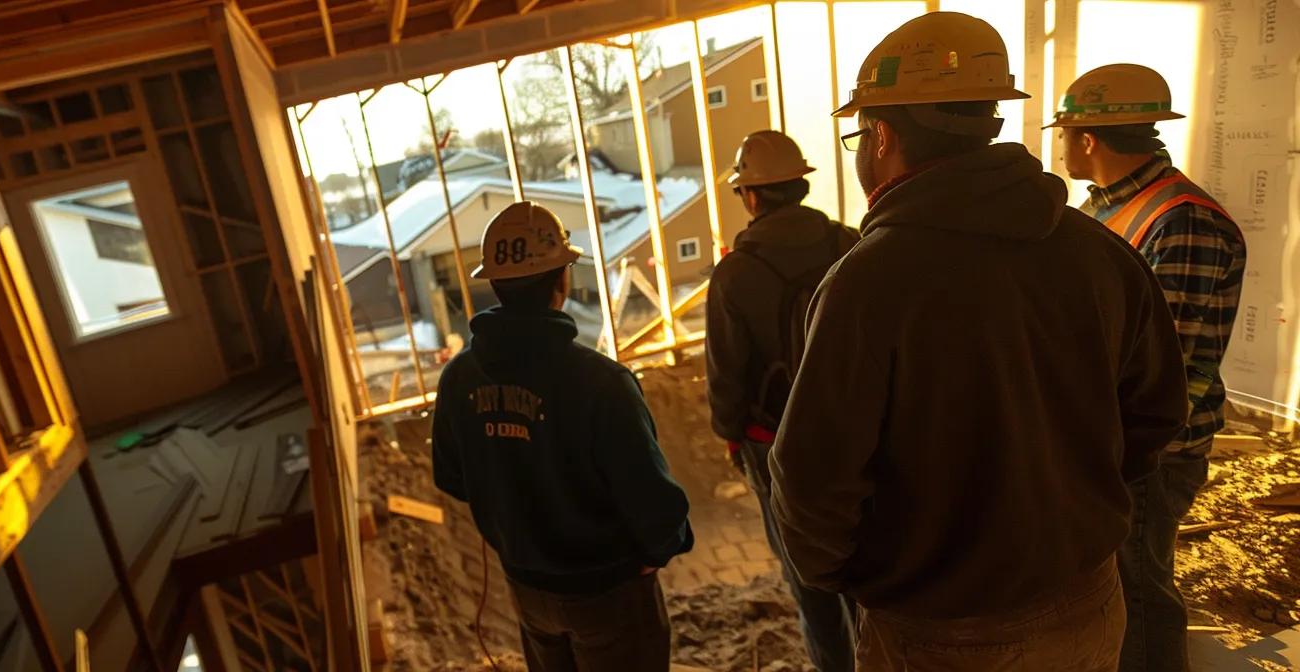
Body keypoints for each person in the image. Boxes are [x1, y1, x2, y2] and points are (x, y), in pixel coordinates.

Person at [766, 12, 1190, 671]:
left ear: (880, 135)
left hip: (943, 630)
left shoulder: (866, 285)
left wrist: (861, 574)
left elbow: (813, 478)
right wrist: (1073, 505)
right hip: (1089, 602)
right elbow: (1157, 412)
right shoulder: (1097, 250)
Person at [431, 201, 693, 672]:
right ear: (562, 281)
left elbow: (452, 477)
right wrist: (659, 549)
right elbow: (651, 497)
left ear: (494, 283)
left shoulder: (458, 379)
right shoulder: (601, 382)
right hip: (608, 591)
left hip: (526, 589)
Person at [1050, 63, 1249, 671]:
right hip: (1109, 438)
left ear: (1087, 139)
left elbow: (1160, 362)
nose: (1060, 146)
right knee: (1115, 587)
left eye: (1064, 134)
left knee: (1138, 592)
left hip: (1152, 449)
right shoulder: (1104, 209)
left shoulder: (1180, 219)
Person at [704, 130, 859, 672]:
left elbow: (726, 377)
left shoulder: (735, 273)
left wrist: (732, 437)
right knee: (866, 560)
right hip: (858, 431)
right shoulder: (849, 243)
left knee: (808, 578)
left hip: (775, 444)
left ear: (751, 196)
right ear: (800, 185)